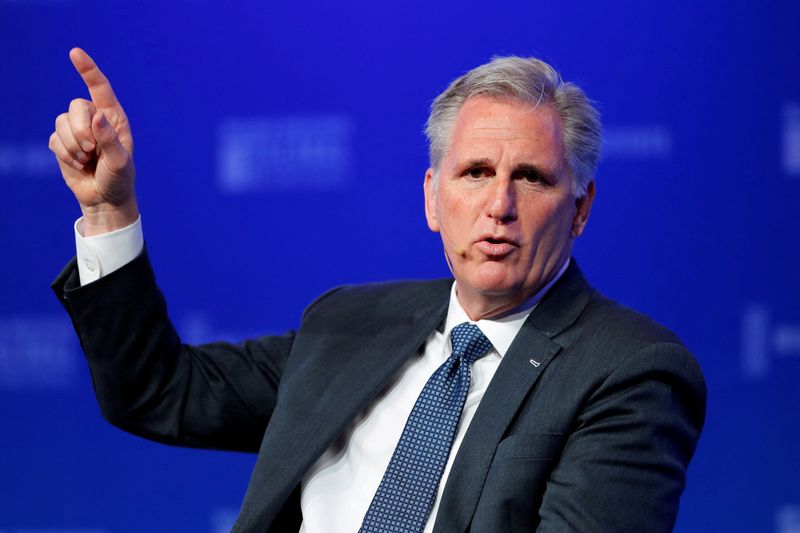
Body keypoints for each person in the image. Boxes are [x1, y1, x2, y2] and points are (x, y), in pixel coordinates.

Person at [49, 48, 706, 532]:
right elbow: (160, 392)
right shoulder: (349, 323)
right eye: (475, 172)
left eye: (531, 178)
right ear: (432, 198)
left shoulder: (629, 369)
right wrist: (110, 211)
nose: (499, 204)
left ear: (582, 208)